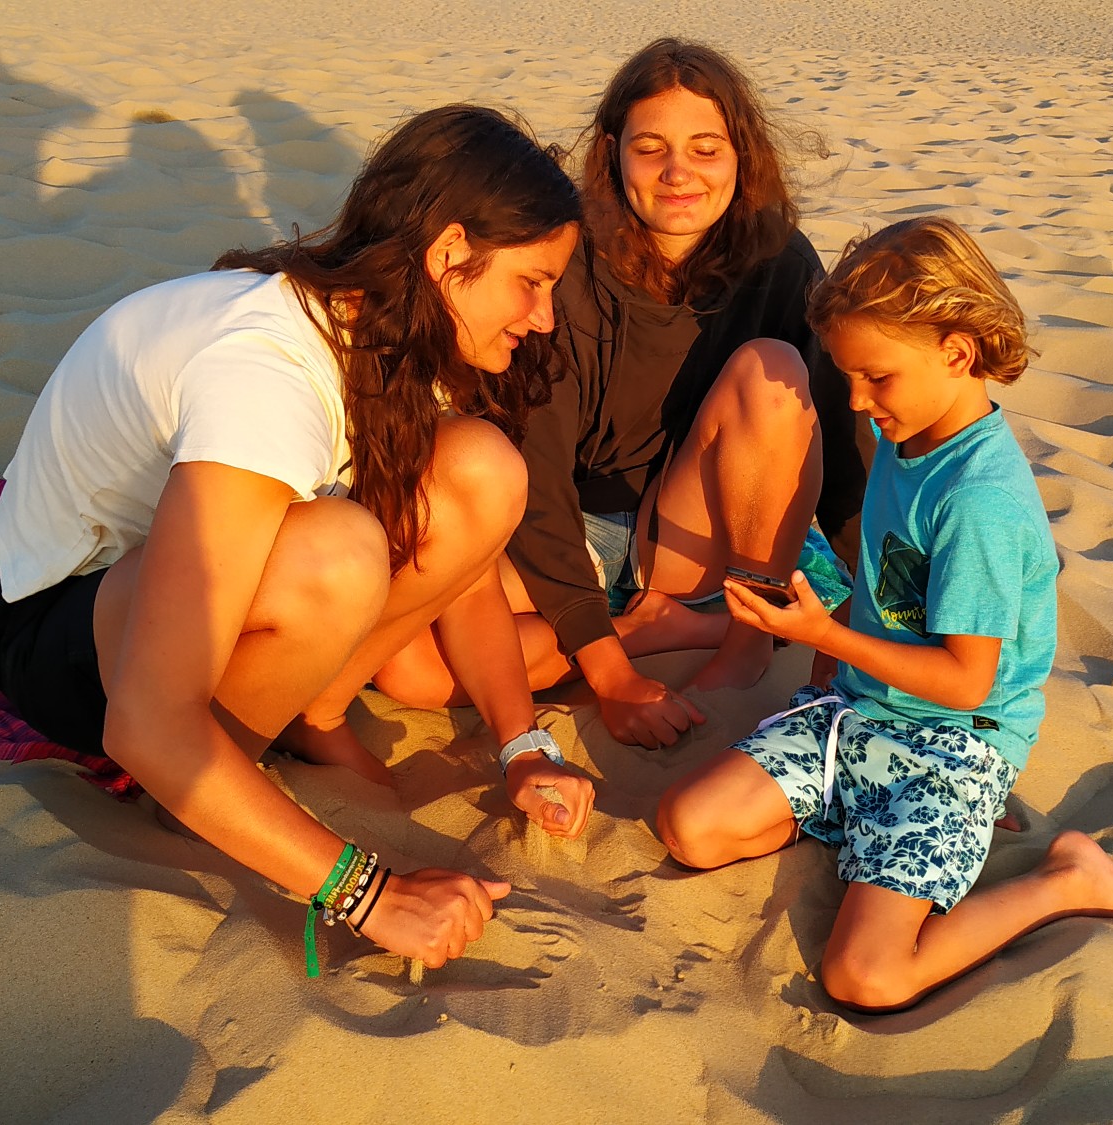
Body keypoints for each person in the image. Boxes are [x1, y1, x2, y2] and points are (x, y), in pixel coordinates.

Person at [0, 105, 595, 975]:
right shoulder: (267, 371)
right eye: (531, 282)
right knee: (336, 553)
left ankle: (311, 713)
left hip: (157, 592)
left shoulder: (391, 332)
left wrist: (520, 745)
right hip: (57, 631)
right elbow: (145, 723)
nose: (543, 317)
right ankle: (200, 790)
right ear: (449, 253)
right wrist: (370, 893)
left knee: (481, 469)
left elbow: (468, 572)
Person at [653, 218, 1113, 1011]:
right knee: (689, 826)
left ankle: (1066, 878)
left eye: (877, 378)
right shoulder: (908, 441)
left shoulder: (979, 503)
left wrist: (824, 635)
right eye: (849, 378)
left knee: (865, 976)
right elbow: (886, 589)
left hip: (949, 744)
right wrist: (823, 630)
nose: (858, 402)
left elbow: (966, 682)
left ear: (958, 353)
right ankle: (854, 823)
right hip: (858, 712)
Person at [371, 38, 869, 749]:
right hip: (566, 527)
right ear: (612, 153)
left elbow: (845, 446)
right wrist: (610, 670)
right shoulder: (559, 267)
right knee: (410, 671)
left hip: (695, 533)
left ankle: (748, 636)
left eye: (706, 149)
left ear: (742, 156)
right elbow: (536, 478)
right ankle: (655, 629)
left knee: (774, 368)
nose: (678, 173)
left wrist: (874, 599)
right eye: (650, 148)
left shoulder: (779, 258)